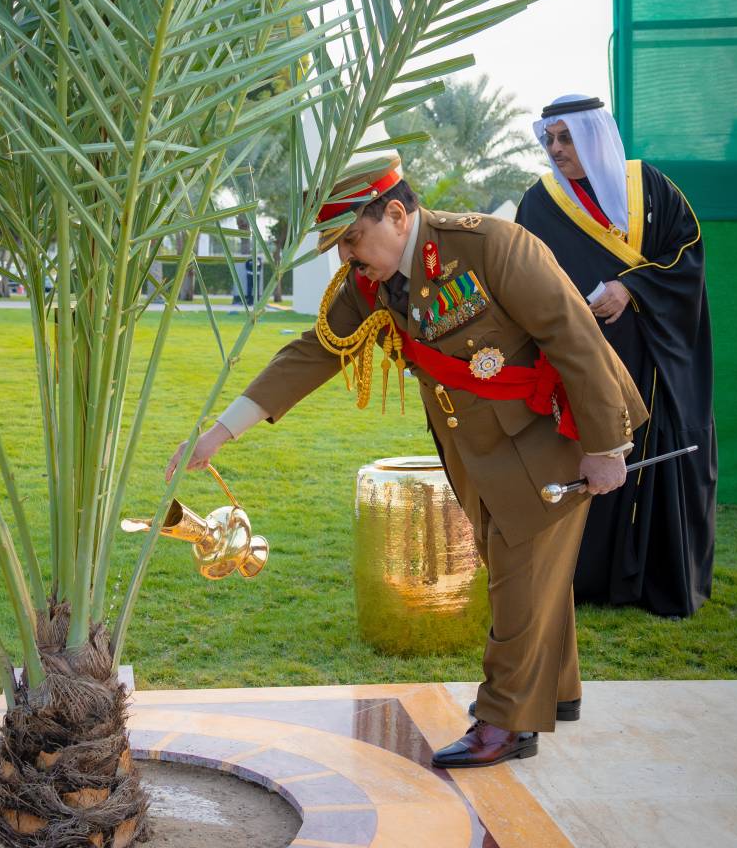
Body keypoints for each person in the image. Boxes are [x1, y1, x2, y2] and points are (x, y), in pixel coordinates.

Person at [166, 155, 646, 769]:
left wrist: (606, 447)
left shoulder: (490, 246)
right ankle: (556, 690)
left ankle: (506, 721)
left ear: (396, 213)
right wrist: (220, 432)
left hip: (549, 438)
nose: (346, 257)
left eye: (352, 239)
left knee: (520, 576)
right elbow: (314, 352)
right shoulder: (373, 281)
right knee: (525, 570)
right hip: (478, 453)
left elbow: (573, 335)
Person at [516, 93, 716, 616]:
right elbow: (521, 279)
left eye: (566, 137)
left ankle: (656, 580)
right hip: (580, 366)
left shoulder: (648, 186)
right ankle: (583, 580)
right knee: (588, 456)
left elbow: (686, 255)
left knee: (656, 456)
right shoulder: (539, 203)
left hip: (654, 359)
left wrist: (631, 288)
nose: (556, 149)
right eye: (549, 139)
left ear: (593, 135)